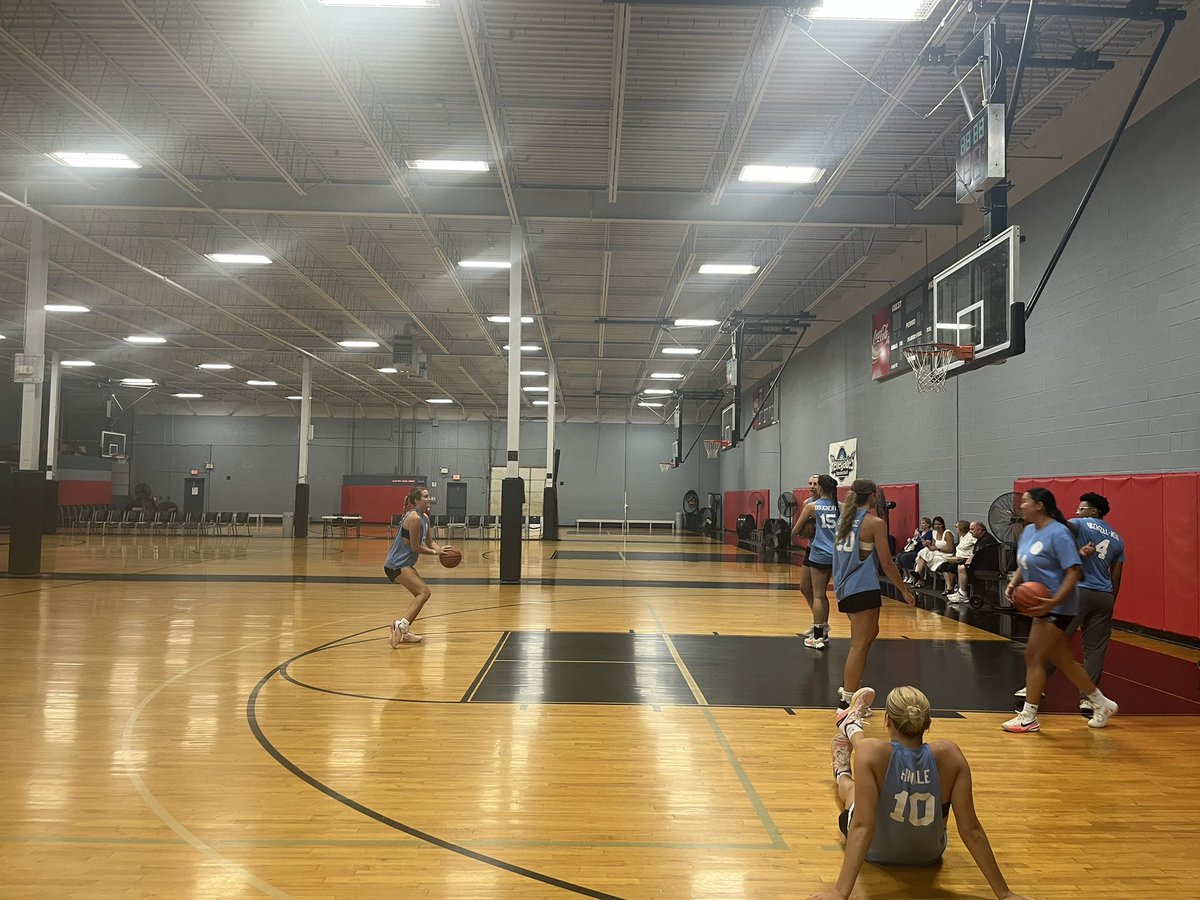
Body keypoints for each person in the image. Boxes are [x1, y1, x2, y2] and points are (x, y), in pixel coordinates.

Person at [808, 686, 1028, 900]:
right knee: (875, 775)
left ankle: (843, 764)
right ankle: (850, 727)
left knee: (855, 790)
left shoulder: (870, 752)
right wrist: (1005, 894)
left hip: (876, 852)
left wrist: (839, 892)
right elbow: (971, 830)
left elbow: (862, 827)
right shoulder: (950, 754)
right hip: (929, 854)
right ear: (927, 723)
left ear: (887, 721)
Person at [1003, 487, 1119, 732]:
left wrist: (1054, 601)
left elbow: (1074, 571)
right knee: (1063, 660)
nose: (1020, 506)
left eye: (1025, 502)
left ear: (1040, 506)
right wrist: (1014, 584)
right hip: (1041, 605)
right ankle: (1102, 703)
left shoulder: (1059, 533)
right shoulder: (1028, 532)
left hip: (1059, 606)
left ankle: (1028, 717)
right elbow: (1023, 564)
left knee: (1034, 656)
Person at [832, 479, 915, 711]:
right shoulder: (874, 523)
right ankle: (846, 702)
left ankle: (853, 692)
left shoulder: (843, 521)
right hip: (862, 587)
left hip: (845, 587)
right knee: (859, 645)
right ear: (873, 497)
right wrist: (904, 591)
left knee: (869, 636)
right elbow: (888, 564)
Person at [384, 487, 453, 647]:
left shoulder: (425, 518)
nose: (429, 499)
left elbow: (430, 542)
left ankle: (404, 629)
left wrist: (440, 549)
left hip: (404, 563)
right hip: (396, 564)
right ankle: (401, 626)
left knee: (421, 595)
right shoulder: (414, 518)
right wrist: (435, 554)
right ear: (416, 501)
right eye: (425, 496)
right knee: (424, 592)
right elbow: (416, 547)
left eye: (429, 496)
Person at [790, 473, 840, 649]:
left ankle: (820, 630)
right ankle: (819, 625)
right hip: (834, 552)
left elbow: (795, 530)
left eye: (815, 483)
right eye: (809, 483)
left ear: (821, 487)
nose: (812, 486)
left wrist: (808, 526)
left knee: (819, 594)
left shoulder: (812, 507)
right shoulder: (840, 506)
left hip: (818, 551)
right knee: (806, 588)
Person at [948, 521, 999, 603]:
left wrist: (969, 562)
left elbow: (980, 556)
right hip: (981, 563)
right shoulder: (980, 539)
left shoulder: (987, 539)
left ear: (979, 530)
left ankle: (963, 594)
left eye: (972, 529)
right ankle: (960, 591)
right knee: (957, 566)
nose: (970, 531)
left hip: (989, 566)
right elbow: (975, 553)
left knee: (962, 567)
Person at [910, 516, 956, 586]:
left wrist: (937, 549)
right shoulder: (934, 533)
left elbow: (950, 549)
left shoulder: (947, 533)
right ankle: (917, 573)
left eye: (939, 524)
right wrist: (930, 547)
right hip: (937, 552)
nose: (937, 526)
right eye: (935, 524)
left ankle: (919, 577)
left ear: (942, 524)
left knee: (926, 557)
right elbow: (934, 546)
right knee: (924, 552)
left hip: (946, 554)